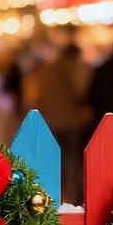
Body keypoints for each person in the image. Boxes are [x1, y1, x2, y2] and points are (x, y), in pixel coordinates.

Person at [35, 41, 90, 202]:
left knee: (54, 160)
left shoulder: (47, 69)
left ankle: (55, 195)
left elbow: (40, 95)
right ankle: (76, 198)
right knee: (73, 161)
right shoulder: (75, 68)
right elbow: (80, 91)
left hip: (52, 120)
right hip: (71, 122)